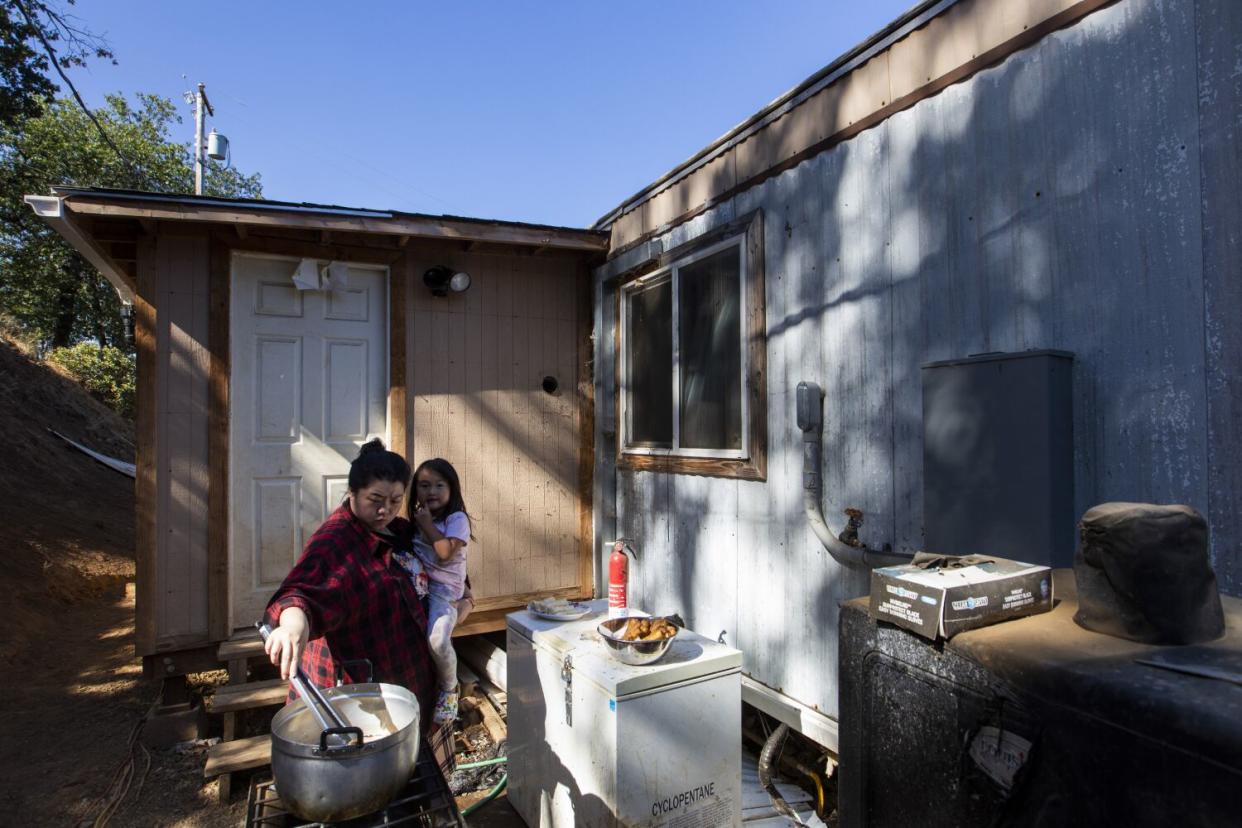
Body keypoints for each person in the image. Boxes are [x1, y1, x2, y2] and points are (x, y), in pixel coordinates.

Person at [262, 439, 468, 767]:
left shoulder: (398, 530)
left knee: (416, 788)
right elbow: (302, 590)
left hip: (412, 690)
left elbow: (445, 568)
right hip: (361, 709)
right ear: (352, 493)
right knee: (369, 793)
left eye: (396, 500)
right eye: (375, 500)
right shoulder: (336, 541)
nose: (385, 510)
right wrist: (291, 626)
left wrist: (462, 601)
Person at [405, 458, 472, 723]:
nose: (431, 491)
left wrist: (426, 525)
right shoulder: (420, 518)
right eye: (424, 485)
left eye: (439, 485)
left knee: (438, 640)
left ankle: (449, 688)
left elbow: (444, 553)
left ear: (452, 489)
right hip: (419, 585)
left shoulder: (457, 519)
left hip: (444, 592)